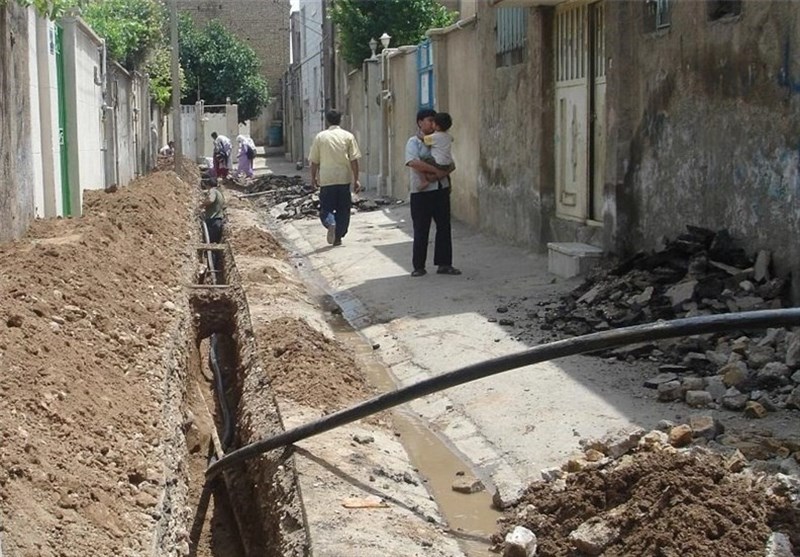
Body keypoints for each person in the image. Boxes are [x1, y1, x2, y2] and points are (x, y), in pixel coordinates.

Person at [405, 108, 460, 277]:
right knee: (421, 229)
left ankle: (444, 263)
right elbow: (413, 162)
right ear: (420, 122)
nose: (432, 123)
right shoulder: (413, 142)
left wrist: (439, 174)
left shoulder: (441, 138)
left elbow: (450, 163)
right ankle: (419, 266)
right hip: (421, 193)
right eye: (429, 120)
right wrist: (436, 172)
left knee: (444, 227)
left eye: (434, 120)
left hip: (440, 189)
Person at [308, 110, 362, 246]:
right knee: (343, 209)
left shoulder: (320, 137)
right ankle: (338, 236)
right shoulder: (348, 136)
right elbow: (354, 160)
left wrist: (313, 178)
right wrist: (356, 179)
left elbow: (314, 161)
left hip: (327, 179)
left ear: (327, 121)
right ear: (340, 120)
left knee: (326, 208)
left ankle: (331, 223)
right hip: (344, 178)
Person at [420, 112, 455, 189]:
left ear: (438, 127)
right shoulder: (448, 136)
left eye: (433, 123)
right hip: (448, 163)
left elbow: (424, 139)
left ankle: (424, 181)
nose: (432, 124)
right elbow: (452, 139)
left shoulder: (435, 137)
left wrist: (420, 135)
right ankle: (435, 176)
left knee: (422, 160)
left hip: (439, 162)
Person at [201, 179, 225, 244]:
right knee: (215, 243)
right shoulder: (220, 193)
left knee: (210, 242)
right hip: (218, 220)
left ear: (208, 185)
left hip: (212, 220)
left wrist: (202, 205)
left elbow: (211, 200)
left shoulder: (212, 191)